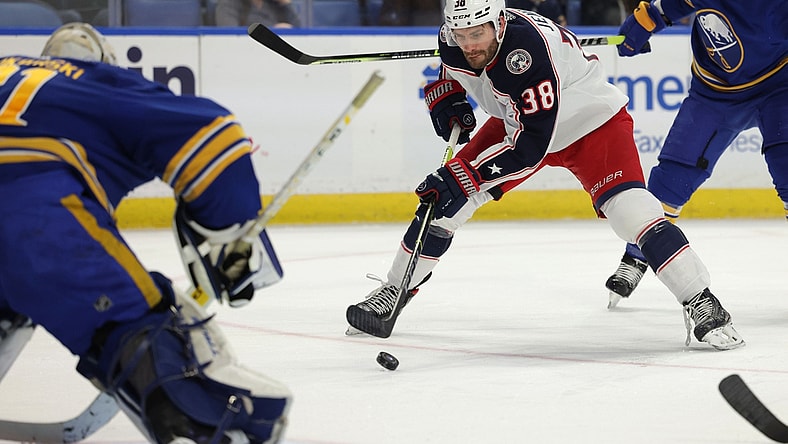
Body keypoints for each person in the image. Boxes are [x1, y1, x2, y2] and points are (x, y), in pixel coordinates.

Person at [345, 0, 745, 351]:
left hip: (590, 123)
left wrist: (463, 175)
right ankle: (394, 290)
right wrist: (447, 94)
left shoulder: (525, 53)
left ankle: (701, 301)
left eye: (477, 33)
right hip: (519, 120)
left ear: (499, 23)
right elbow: (456, 70)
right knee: (443, 203)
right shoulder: (455, 37)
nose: (469, 43)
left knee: (633, 213)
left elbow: (530, 147)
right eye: (460, 33)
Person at [0, 23, 291, 443]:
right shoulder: (97, 81)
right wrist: (227, 237)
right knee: (155, 347)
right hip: (31, 214)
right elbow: (215, 136)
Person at [605, 0, 787, 308]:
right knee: (673, 176)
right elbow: (671, 6)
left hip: (781, 86)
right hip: (714, 93)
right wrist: (645, 21)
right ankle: (636, 256)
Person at [215, 0, 302, 28]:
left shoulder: (275, 4)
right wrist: (272, 32)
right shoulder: (228, 3)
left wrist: (286, 4)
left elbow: (301, 33)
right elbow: (229, 35)